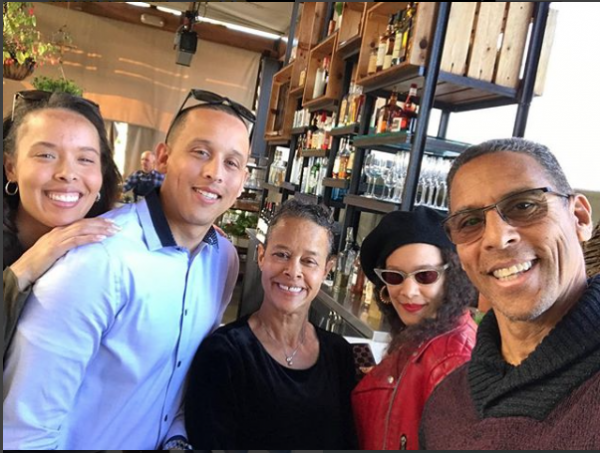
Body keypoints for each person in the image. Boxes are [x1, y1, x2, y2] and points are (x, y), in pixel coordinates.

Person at [3, 90, 255, 450]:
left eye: (231, 163)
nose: (215, 172)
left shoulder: (222, 259)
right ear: (163, 158)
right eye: (201, 152)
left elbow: (179, 379)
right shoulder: (97, 259)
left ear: (242, 180)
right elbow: (25, 432)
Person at [420, 138, 599, 449]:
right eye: (470, 222)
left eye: (524, 206)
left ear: (580, 218)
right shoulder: (445, 405)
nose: (497, 237)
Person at [185, 199, 358, 449]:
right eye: (282, 255)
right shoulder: (224, 353)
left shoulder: (339, 354)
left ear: (326, 270)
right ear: (261, 256)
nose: (293, 271)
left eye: (309, 261)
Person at [3, 90, 122, 358]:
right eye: (46, 155)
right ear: (11, 167)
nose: (67, 174)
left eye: (85, 159)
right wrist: (25, 269)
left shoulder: (112, 247)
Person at [351, 206, 478, 450]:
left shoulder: (453, 361)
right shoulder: (421, 337)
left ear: (451, 277)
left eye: (425, 276)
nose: (408, 291)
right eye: (395, 277)